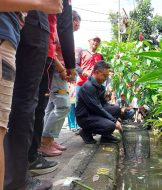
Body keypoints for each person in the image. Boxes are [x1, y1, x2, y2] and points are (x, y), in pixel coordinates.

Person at [4, 0, 75, 189]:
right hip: (31, 27)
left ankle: (16, 170)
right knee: (25, 102)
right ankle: (17, 178)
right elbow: (64, 19)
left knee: (16, 103)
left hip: (20, 22)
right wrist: (70, 64)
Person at [38, 10, 81, 156]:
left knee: (51, 107)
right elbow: (51, 52)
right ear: (71, 19)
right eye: (76, 24)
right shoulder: (56, 30)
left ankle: (49, 139)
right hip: (57, 72)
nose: (77, 27)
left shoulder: (62, 33)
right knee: (63, 105)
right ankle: (45, 141)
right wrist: (63, 70)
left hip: (59, 73)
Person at [76, 61, 122, 144]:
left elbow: (104, 104)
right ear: (96, 72)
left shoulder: (99, 86)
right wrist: (114, 121)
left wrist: (114, 111)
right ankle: (86, 132)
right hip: (85, 117)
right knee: (110, 125)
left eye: (107, 76)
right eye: (104, 75)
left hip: (93, 113)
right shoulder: (88, 87)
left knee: (116, 109)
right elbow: (97, 108)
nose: (106, 78)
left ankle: (106, 136)